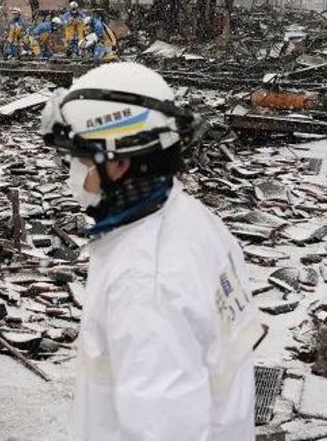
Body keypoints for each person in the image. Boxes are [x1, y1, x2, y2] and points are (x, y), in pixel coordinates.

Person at [39, 62, 262, 441]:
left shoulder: (145, 282)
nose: (73, 175)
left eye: (79, 160)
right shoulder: (190, 219)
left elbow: (163, 429)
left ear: (120, 162)